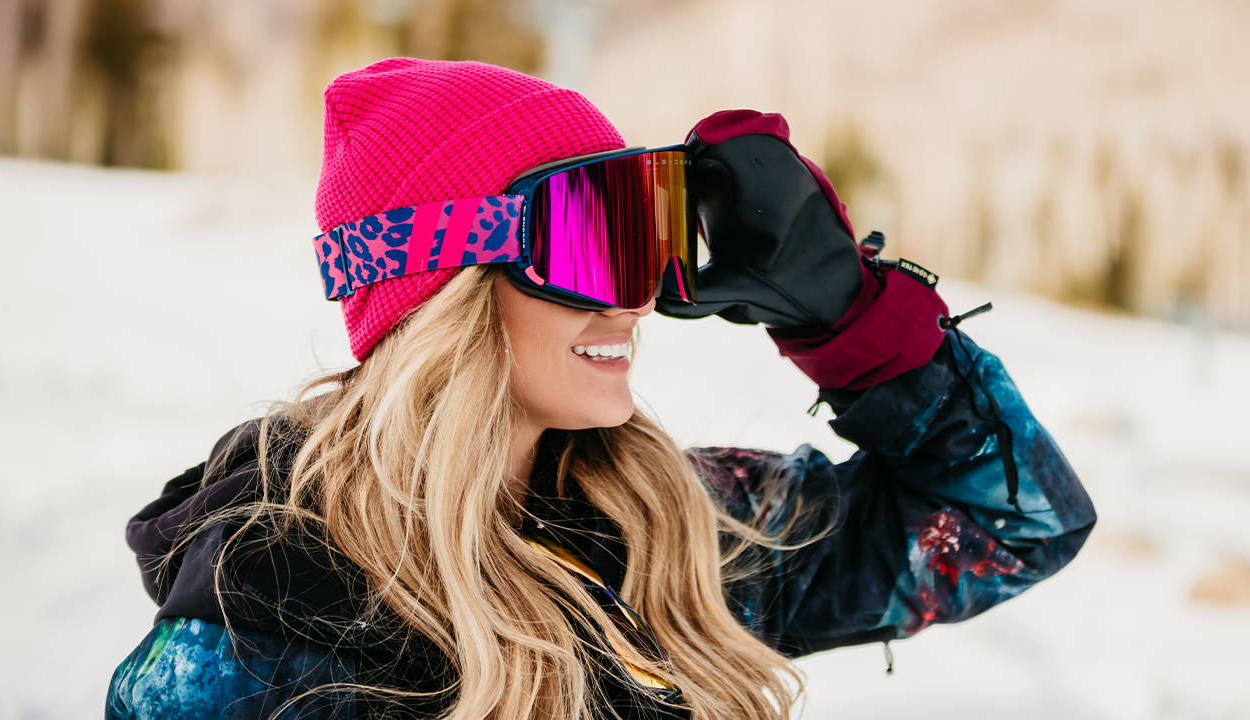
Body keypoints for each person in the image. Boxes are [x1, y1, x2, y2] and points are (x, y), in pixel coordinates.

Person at [104, 57, 1096, 720]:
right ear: (443, 290)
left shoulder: (664, 531)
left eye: (650, 234)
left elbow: (1018, 523)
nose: (633, 298)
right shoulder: (262, 626)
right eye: (595, 237)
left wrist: (849, 320)